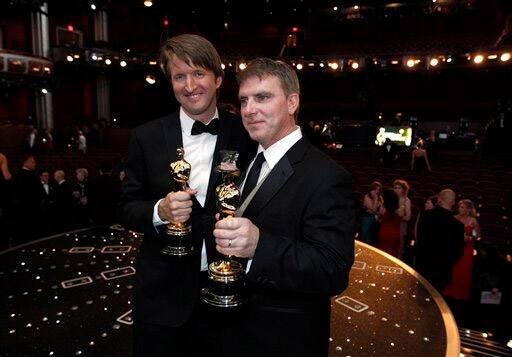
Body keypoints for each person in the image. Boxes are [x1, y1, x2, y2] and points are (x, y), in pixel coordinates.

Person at [119, 34, 255, 357]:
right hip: (162, 300)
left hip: (228, 295)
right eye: (180, 76)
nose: (190, 85)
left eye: (199, 74)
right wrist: (159, 211)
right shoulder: (146, 137)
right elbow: (126, 207)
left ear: (218, 79)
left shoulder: (248, 134)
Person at [213, 58, 354, 357]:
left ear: (292, 103)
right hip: (233, 330)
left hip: (284, 341)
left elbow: (333, 269)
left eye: (262, 97)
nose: (249, 110)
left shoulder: (326, 175)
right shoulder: (247, 160)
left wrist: (258, 246)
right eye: (244, 100)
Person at [416, 189, 465, 292]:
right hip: (442, 271)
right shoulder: (458, 226)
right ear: (453, 203)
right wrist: (445, 265)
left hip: (422, 267)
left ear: (439, 199)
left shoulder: (424, 215)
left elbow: (419, 239)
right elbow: (458, 252)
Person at [444, 199, 480, 301]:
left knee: (464, 269)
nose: (460, 209)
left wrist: (469, 238)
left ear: (468, 209)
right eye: (459, 207)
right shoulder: (454, 218)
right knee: (454, 268)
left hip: (467, 249)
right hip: (454, 247)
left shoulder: (473, 221)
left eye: (463, 207)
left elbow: (477, 236)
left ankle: (462, 293)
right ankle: (450, 291)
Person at [376, 189, 402, 257]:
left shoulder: (383, 209)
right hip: (395, 232)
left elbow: (378, 219)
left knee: (383, 252)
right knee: (393, 252)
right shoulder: (400, 209)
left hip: (384, 232)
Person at [361, 181, 384, 245]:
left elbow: (381, 211)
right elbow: (373, 209)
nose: (377, 191)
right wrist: (376, 199)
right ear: (371, 189)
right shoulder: (367, 197)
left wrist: (377, 212)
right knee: (366, 237)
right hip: (368, 219)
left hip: (376, 220)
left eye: (378, 190)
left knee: (373, 238)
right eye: (375, 189)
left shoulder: (380, 198)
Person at [393, 179, 411, 258]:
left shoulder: (406, 201)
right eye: (395, 187)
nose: (396, 189)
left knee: (399, 248)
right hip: (391, 225)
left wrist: (398, 216)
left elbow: (408, 217)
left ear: (403, 189)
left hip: (400, 226)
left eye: (399, 188)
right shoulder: (391, 199)